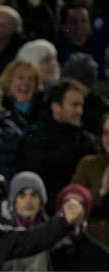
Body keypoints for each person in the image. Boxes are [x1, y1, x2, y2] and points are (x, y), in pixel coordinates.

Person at [20, 80, 98, 212]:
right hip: (44, 212)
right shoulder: (35, 137)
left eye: (81, 105)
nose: (80, 111)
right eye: (74, 105)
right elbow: (36, 173)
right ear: (56, 107)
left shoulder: (87, 140)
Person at [71, 114, 109, 247]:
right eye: (106, 133)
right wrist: (102, 189)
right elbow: (73, 206)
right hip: (94, 241)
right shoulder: (88, 164)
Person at [0, 59, 44, 129]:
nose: (26, 82)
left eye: (31, 79)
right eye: (21, 78)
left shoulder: (44, 109)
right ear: (9, 81)